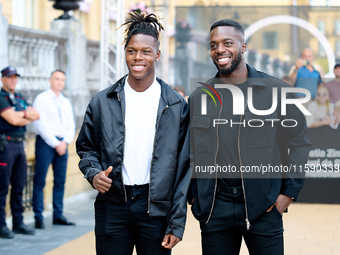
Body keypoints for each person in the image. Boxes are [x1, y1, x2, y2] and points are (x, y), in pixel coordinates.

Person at [188, 19, 311, 255]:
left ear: (243, 46)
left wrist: (288, 193)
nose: (220, 49)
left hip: (263, 206)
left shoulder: (277, 91)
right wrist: (196, 195)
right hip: (216, 207)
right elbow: (189, 150)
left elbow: (299, 143)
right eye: (213, 45)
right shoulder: (199, 97)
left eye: (227, 42)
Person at [76, 12, 190, 255]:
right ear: (125, 52)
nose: (138, 57)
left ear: (157, 54)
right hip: (112, 206)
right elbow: (86, 148)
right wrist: (93, 173)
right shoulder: (102, 101)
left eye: (146, 51)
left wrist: (177, 223)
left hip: (156, 209)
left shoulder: (176, 105)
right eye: (132, 50)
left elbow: (184, 168)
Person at [32, 70, 76, 229]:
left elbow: (71, 125)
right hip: (46, 143)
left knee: (60, 181)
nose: (59, 82)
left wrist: (65, 142)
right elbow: (39, 124)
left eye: (62, 79)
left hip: (62, 144)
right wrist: (55, 143)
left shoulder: (66, 102)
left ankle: (58, 214)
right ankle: (38, 216)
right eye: (57, 79)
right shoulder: (42, 99)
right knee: (40, 180)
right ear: (50, 80)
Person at [0, 66, 40, 238]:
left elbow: (36, 115)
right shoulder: (1, 97)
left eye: (15, 77)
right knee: (2, 188)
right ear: (3, 79)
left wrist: (19, 116)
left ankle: (18, 223)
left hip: (20, 146)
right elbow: (12, 119)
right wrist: (24, 115)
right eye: (10, 77)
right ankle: (1, 225)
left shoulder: (19, 97)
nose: (13, 80)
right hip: (6, 147)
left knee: (19, 186)